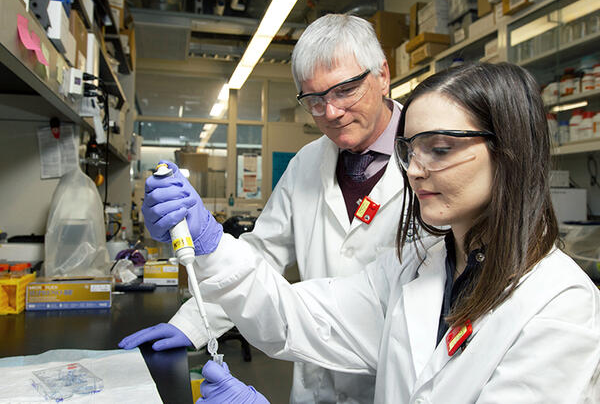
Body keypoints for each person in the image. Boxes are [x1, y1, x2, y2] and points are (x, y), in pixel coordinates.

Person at [186, 62, 600, 403]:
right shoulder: (417, 265)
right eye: (410, 149)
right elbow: (306, 318)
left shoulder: (561, 304)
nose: (414, 170)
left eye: (438, 149)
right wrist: (212, 246)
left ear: (508, 151)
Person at [120, 14, 421, 403]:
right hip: (316, 382)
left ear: (382, 74)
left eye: (345, 90)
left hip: (397, 384)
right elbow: (259, 257)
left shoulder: (432, 162)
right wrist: (194, 322)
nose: (330, 112)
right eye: (314, 99)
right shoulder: (307, 163)